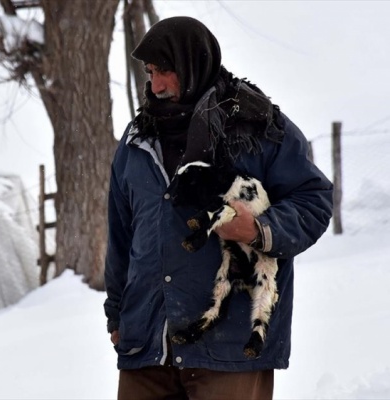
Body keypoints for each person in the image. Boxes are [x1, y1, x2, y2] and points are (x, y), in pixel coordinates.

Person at [103, 16, 333, 400]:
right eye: (150, 71)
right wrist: (117, 315)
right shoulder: (136, 139)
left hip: (229, 348)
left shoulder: (259, 126)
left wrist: (259, 230)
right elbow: (121, 235)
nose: (155, 85)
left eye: (166, 71)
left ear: (194, 63)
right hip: (147, 347)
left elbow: (313, 200)